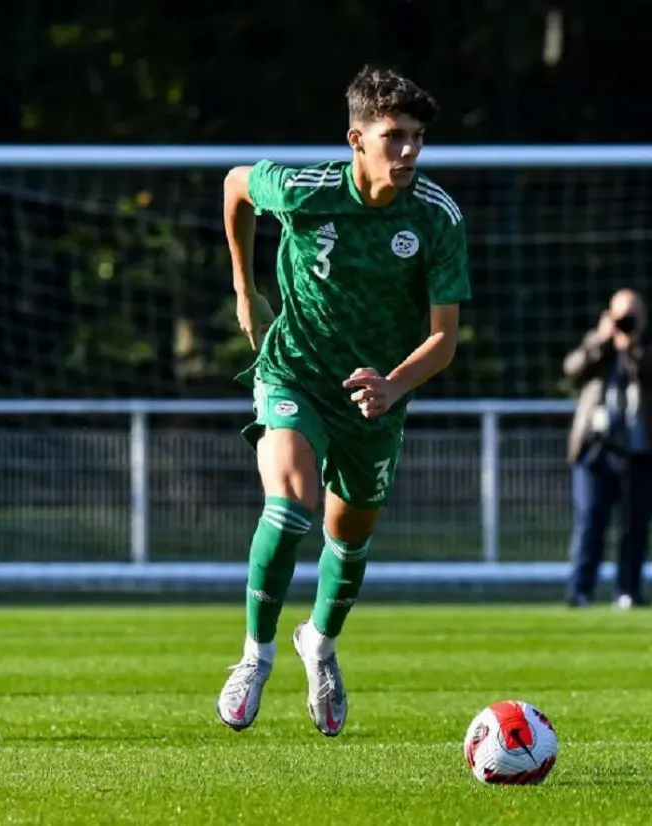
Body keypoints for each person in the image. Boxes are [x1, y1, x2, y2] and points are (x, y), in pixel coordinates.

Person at [216, 66, 470, 737]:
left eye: (417, 137)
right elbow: (236, 184)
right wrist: (245, 290)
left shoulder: (436, 217)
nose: (410, 150)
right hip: (296, 371)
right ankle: (255, 656)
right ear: (357, 138)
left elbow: (444, 339)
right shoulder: (305, 190)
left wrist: (393, 386)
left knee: (348, 537)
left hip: (376, 400)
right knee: (290, 500)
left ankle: (319, 645)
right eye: (395, 136)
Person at [562, 289, 652, 610]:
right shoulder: (598, 343)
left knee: (635, 524)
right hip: (597, 450)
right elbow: (572, 369)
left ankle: (628, 592)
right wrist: (602, 341)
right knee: (590, 520)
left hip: (643, 452)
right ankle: (580, 591)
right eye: (621, 316)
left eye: (632, 315)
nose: (626, 322)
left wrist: (635, 348)